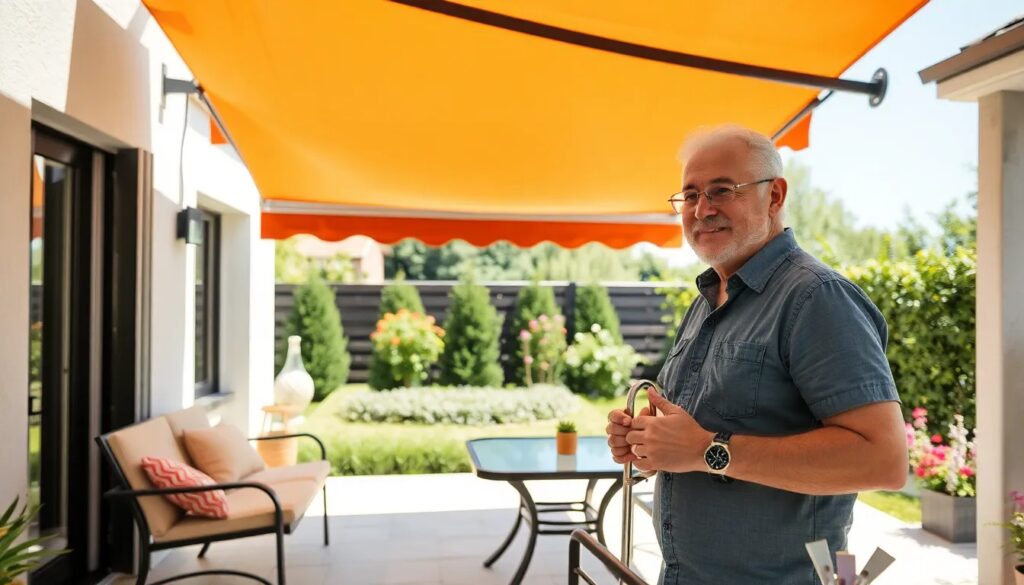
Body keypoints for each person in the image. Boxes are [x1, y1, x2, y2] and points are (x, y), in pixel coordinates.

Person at [606, 125, 907, 584]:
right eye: (690, 195)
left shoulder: (816, 297)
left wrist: (707, 450)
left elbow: (883, 460)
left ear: (775, 195)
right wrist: (653, 446)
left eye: (722, 190)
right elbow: (694, 438)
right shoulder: (707, 300)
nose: (702, 210)